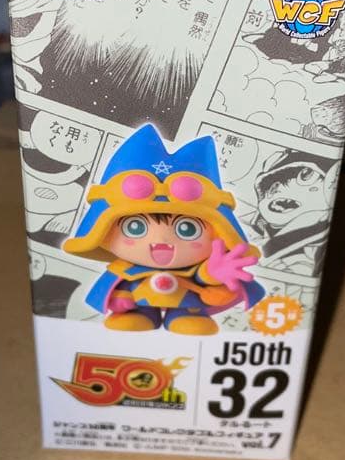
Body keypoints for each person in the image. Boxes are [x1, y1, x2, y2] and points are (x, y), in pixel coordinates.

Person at [64, 125, 264, 334]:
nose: (161, 240)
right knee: (133, 321)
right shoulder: (124, 269)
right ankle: (141, 315)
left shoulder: (198, 266)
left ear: (222, 230)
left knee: (189, 322)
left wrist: (212, 273)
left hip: (188, 306)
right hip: (139, 304)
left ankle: (182, 317)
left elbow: (202, 278)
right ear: (100, 231)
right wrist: (120, 299)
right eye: (135, 227)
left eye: (187, 229)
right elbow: (109, 288)